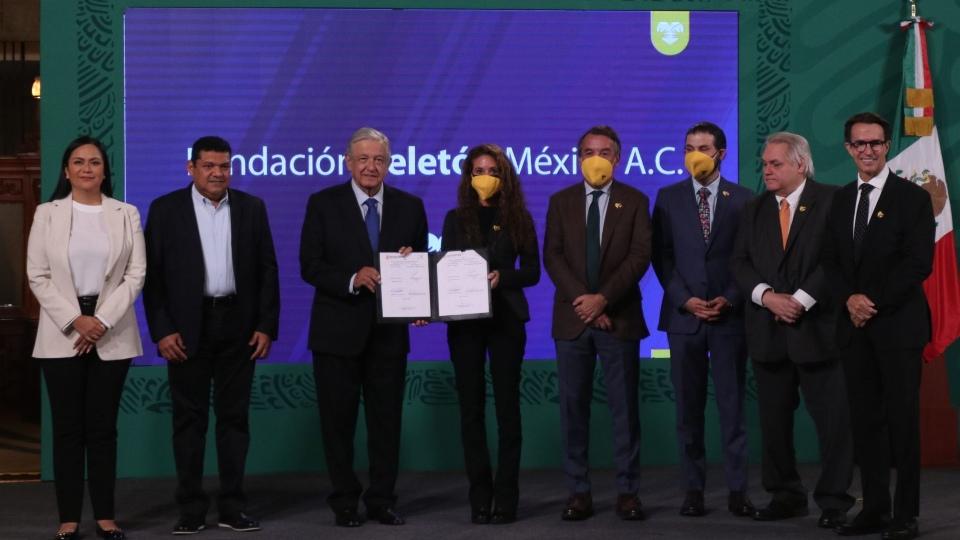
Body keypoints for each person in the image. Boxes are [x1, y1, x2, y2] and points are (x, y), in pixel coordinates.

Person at [143, 135, 280, 535]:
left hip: (239, 326)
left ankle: (233, 507)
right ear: (191, 168)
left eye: (224, 166)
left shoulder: (252, 208)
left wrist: (266, 325)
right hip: (186, 329)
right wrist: (162, 330)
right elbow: (153, 278)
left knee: (234, 420)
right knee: (189, 421)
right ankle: (191, 509)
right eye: (208, 166)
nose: (217, 173)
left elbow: (268, 271)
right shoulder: (166, 209)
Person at [299, 127, 428, 528]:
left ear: (388, 164)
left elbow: (421, 261)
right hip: (336, 333)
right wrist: (352, 279)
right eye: (364, 159)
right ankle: (344, 501)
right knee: (338, 425)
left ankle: (382, 500)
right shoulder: (323, 204)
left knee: (386, 424)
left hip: (389, 334)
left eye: (379, 160)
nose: (371, 167)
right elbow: (310, 265)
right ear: (348, 162)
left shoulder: (410, 206)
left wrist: (415, 283)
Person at [731, 131, 855, 529]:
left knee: (834, 424)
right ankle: (785, 495)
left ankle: (834, 500)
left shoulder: (834, 200)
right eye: (764, 164)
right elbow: (739, 262)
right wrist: (767, 297)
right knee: (774, 424)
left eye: (775, 164)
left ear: (800, 164)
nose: (766, 170)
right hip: (768, 331)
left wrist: (800, 300)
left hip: (819, 331)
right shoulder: (753, 209)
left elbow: (838, 259)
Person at [27, 136, 145, 540]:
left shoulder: (126, 213)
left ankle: (106, 517)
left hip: (112, 332)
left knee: (102, 429)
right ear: (66, 170)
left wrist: (102, 321)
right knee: (67, 430)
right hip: (62, 332)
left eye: (94, 162)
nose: (87, 168)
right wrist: (76, 320)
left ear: (105, 170)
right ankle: (68, 519)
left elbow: (136, 274)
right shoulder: (47, 213)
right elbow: (37, 275)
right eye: (78, 162)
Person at [823, 113, 934, 540]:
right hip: (854, 330)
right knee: (865, 423)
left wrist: (870, 302)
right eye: (859, 144)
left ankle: (905, 515)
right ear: (848, 149)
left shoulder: (913, 198)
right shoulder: (839, 200)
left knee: (902, 423)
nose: (867, 150)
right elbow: (830, 261)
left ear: (887, 146)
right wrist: (848, 299)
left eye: (875, 143)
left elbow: (918, 263)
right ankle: (874, 510)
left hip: (898, 328)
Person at [543, 125, 651, 521]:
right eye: (588, 152)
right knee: (573, 410)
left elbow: (639, 257)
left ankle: (628, 493)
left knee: (625, 411)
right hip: (572, 320)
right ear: (578, 158)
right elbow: (553, 256)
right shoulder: (560, 202)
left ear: (617, 159)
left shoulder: (635, 201)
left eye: (604, 152)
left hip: (619, 319)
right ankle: (578, 492)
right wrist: (585, 303)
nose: (596, 158)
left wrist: (603, 299)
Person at [652, 122, 755, 518]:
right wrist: (685, 300)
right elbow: (662, 257)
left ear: (721, 154)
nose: (694, 154)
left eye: (703, 148)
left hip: (730, 319)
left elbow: (749, 256)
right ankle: (693, 490)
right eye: (688, 148)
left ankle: (738, 490)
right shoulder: (668, 198)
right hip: (684, 319)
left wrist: (730, 298)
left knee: (732, 408)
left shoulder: (743, 199)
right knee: (688, 410)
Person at [440, 144, 540, 525]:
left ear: (505, 177)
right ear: (468, 176)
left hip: (506, 320)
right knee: (471, 411)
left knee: (507, 410)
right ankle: (479, 498)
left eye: (493, 171)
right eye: (478, 170)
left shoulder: (519, 218)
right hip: (465, 323)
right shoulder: (454, 219)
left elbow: (532, 271)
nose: (485, 177)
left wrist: (503, 277)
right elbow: (445, 268)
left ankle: (506, 498)